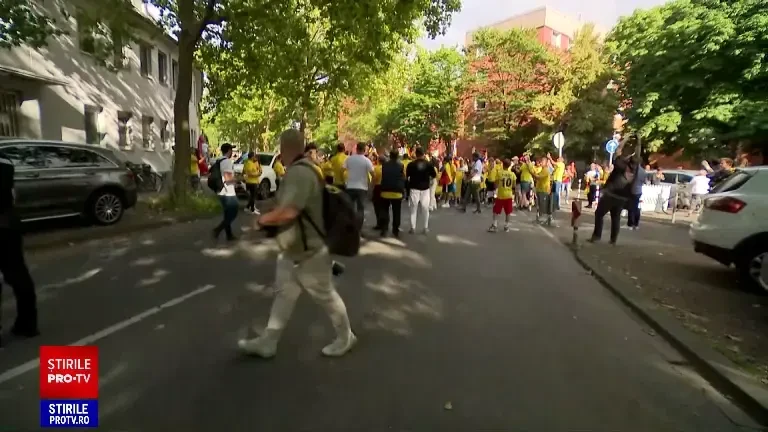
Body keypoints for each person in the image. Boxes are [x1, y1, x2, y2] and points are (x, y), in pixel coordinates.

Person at [239, 129, 356, 358]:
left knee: (326, 296)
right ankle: (268, 342)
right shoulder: (305, 169)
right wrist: (271, 205)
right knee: (284, 294)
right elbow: (290, 201)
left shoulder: (299, 173)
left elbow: (290, 211)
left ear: (283, 148)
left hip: (309, 251)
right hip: (293, 250)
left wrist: (261, 221)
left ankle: (346, 337)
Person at [0, 154, 39, 346]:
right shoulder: (5, 160)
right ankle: (28, 324)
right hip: (9, 224)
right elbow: (11, 193)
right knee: (18, 274)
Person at [589, 144, 639, 245]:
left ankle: (597, 236)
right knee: (616, 217)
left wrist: (621, 146)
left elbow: (617, 157)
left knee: (599, 213)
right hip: (622, 196)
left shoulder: (621, 164)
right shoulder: (634, 167)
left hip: (612, 193)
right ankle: (613, 240)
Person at [406, 147, 436, 234]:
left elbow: (407, 177)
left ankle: (412, 228)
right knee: (425, 209)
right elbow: (433, 175)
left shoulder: (411, 165)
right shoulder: (428, 164)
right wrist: (429, 181)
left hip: (414, 188)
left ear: (416, 154)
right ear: (423, 154)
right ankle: (425, 228)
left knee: (413, 209)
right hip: (425, 189)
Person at [212, 143, 238, 241]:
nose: (232, 152)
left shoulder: (219, 160)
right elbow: (227, 179)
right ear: (228, 151)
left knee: (227, 214)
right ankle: (217, 230)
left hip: (222, 191)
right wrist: (238, 179)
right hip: (228, 192)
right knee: (234, 211)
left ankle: (229, 235)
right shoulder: (227, 162)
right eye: (231, 150)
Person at [344, 142, 374, 223]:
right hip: (362, 188)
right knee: (360, 209)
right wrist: (371, 186)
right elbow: (373, 174)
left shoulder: (349, 159)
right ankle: (359, 227)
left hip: (350, 186)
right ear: (364, 150)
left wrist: (345, 180)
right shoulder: (366, 161)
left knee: (350, 207)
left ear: (356, 149)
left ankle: (350, 225)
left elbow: (342, 170)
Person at [379, 150, 406, 237]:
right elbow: (403, 178)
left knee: (384, 211)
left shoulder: (384, 165)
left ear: (390, 156)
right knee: (396, 212)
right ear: (398, 156)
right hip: (397, 192)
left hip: (385, 191)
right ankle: (395, 229)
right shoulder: (401, 165)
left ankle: (384, 228)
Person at [488, 159, 516, 233]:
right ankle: (506, 226)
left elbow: (496, 183)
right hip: (509, 195)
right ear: (509, 165)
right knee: (508, 212)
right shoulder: (512, 174)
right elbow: (514, 185)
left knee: (495, 211)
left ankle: (495, 225)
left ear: (503, 165)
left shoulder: (499, 173)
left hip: (500, 195)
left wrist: (496, 190)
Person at [531, 156, 554, 226]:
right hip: (540, 189)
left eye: (542, 162)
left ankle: (546, 218)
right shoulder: (542, 169)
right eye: (541, 161)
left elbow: (538, 177)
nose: (541, 163)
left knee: (543, 205)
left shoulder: (546, 170)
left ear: (546, 163)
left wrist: (531, 172)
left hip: (544, 190)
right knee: (539, 205)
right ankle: (540, 218)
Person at [627, 162, 645, 230]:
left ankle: (630, 224)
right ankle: (636, 223)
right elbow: (643, 181)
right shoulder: (643, 171)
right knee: (636, 207)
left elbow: (629, 180)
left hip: (632, 190)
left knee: (631, 207)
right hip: (639, 190)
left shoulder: (633, 170)